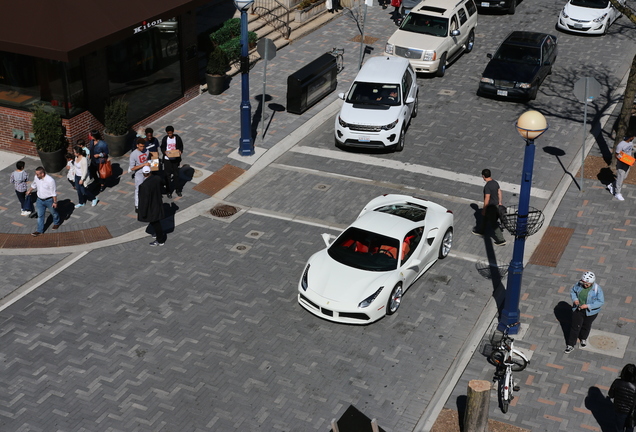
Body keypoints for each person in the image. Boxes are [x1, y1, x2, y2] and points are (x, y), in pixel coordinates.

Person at [564, 271, 604, 354]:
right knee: (575, 327)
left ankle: (583, 338)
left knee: (586, 325)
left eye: (587, 284)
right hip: (578, 310)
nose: (585, 285)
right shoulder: (579, 284)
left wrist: (588, 306)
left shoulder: (597, 289)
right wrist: (575, 299)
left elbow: (600, 302)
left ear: (592, 283)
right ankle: (570, 345)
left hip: (591, 312)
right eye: (584, 283)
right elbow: (573, 291)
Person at [472, 169, 506, 246]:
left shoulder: (487, 186)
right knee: (485, 219)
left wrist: (484, 208)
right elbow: (499, 192)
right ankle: (481, 231)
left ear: (483, 176)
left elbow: (487, 198)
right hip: (497, 205)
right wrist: (500, 202)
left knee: (494, 223)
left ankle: (501, 240)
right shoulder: (495, 182)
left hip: (491, 207)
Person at [26, 166, 61, 236]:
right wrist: (29, 190)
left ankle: (56, 222)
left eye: (37, 174)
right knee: (40, 215)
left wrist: (55, 202)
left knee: (53, 213)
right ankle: (39, 230)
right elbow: (34, 185)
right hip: (39, 200)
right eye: (36, 174)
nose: (36, 175)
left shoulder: (50, 181)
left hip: (49, 200)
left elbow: (53, 192)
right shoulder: (36, 177)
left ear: (42, 174)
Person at [138, 167, 166, 246]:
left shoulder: (144, 186)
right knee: (155, 222)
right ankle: (158, 234)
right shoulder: (157, 178)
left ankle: (160, 240)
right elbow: (163, 183)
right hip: (157, 203)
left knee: (155, 222)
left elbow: (144, 200)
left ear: (143, 174)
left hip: (151, 207)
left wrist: (143, 212)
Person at [608, 363, 636, 432]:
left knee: (619, 428)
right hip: (632, 412)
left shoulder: (617, 382)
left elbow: (611, 394)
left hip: (620, 410)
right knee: (630, 427)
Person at [608, 135, 635, 201]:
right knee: (620, 177)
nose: (634, 138)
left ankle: (612, 185)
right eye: (633, 136)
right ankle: (617, 193)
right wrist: (623, 160)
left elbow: (631, 149)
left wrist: (630, 160)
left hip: (628, 163)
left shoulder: (630, 142)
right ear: (630, 137)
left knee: (624, 177)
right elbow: (616, 155)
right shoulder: (621, 145)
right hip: (622, 163)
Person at [160, 125, 184, 198]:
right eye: (168, 133)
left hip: (175, 159)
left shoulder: (177, 138)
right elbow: (162, 147)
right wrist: (165, 152)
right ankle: (168, 191)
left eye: (170, 133)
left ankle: (177, 189)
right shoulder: (165, 139)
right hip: (167, 160)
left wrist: (180, 151)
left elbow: (181, 146)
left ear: (173, 132)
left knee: (176, 175)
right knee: (167, 175)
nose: (169, 135)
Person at [130, 138, 150, 211]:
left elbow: (148, 160)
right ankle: (137, 205)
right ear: (137, 145)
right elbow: (132, 168)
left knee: (147, 189)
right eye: (141, 146)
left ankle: (147, 203)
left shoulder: (147, 151)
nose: (142, 148)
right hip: (139, 175)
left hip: (147, 173)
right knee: (138, 189)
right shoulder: (133, 154)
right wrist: (143, 165)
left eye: (143, 146)